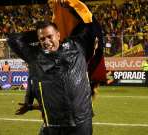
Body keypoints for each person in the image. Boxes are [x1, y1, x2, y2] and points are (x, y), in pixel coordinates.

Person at [8, 1, 103, 135]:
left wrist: (72, 4)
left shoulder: (77, 46)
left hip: (81, 124)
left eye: (50, 36)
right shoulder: (36, 56)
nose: (46, 42)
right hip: (54, 125)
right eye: (42, 39)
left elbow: (89, 23)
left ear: (58, 35)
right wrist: (39, 32)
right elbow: (12, 40)